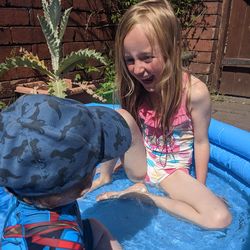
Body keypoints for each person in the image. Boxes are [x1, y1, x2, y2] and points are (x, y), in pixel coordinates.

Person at [93, 0, 232, 229]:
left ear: (172, 49)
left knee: (219, 219)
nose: (138, 69)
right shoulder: (135, 89)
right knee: (119, 117)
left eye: (147, 57)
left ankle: (146, 197)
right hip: (141, 166)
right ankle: (112, 178)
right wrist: (105, 174)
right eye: (130, 60)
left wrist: (200, 187)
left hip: (171, 172)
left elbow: (201, 141)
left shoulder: (194, 93)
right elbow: (123, 130)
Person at [0, 94, 147, 249]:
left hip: (43, 232)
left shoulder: (23, 188)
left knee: (94, 228)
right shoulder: (65, 244)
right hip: (58, 240)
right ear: (84, 186)